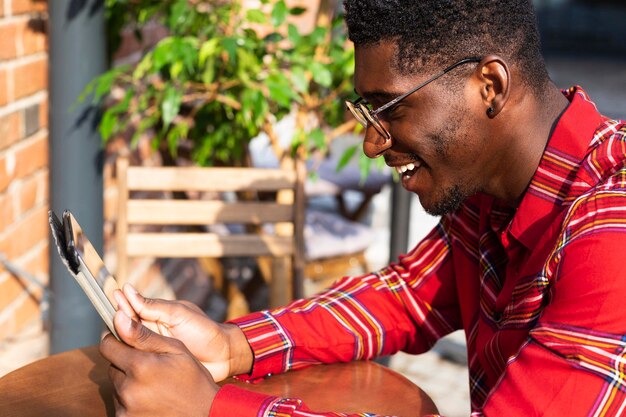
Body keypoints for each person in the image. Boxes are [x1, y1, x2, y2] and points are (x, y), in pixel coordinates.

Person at [100, 0, 626, 416]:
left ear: (488, 86)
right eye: (366, 111)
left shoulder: (611, 232)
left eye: (389, 108)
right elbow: (403, 298)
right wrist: (232, 345)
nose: (373, 143)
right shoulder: (491, 185)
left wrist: (211, 408)